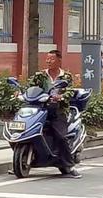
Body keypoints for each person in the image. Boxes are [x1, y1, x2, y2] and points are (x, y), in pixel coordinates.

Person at [30, 50, 81, 178]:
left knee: (61, 136)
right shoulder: (40, 75)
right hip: (40, 109)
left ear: (59, 60)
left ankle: (69, 166)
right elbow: (30, 88)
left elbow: (69, 91)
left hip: (58, 111)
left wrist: (61, 97)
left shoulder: (66, 76)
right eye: (47, 59)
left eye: (51, 59)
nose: (48, 61)